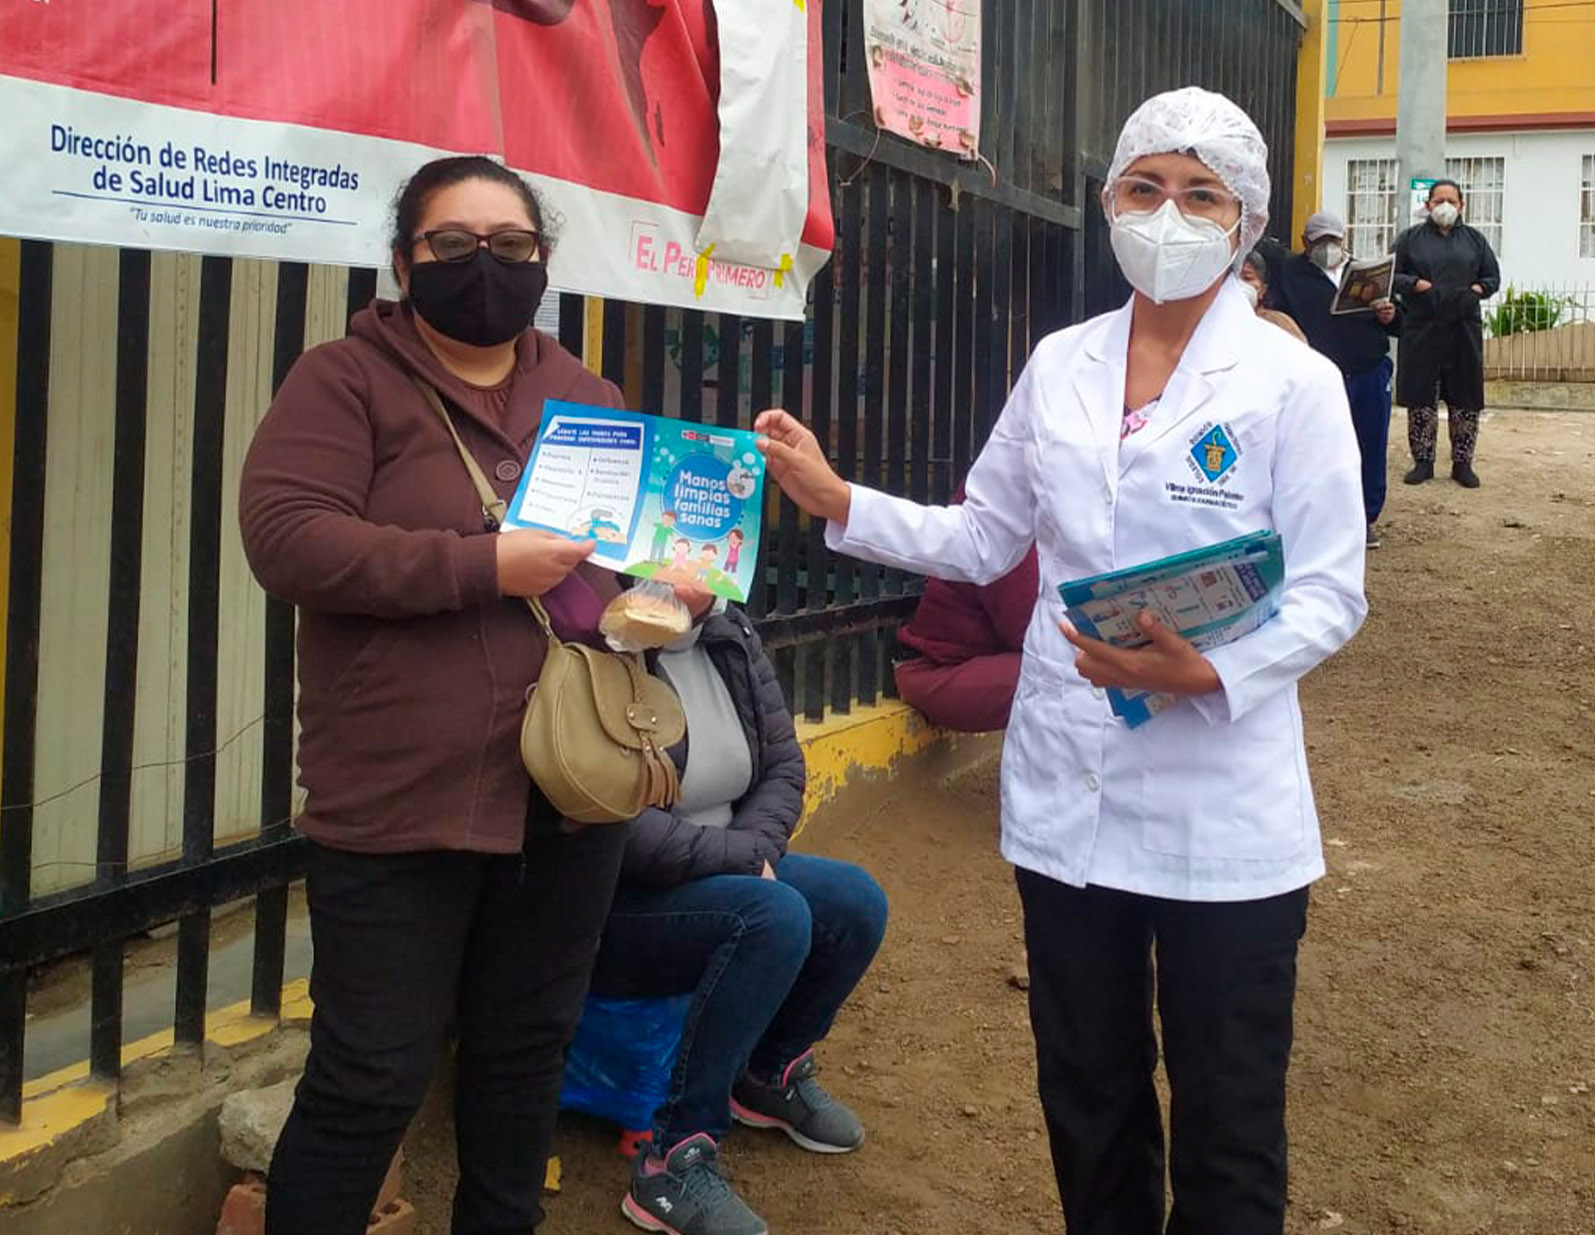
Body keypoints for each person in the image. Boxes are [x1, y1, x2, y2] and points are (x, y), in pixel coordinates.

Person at [755, 89, 1366, 1235]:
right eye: (1145, 189)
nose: (1168, 215)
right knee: (1085, 1089)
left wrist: (1209, 676)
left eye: (1199, 194)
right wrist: (842, 501)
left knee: (1228, 1110)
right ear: (1107, 205)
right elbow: (984, 535)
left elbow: (1332, 589)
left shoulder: (1295, 385)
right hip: (1067, 790)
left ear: (1245, 220)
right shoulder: (1060, 363)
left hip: (1218, 805)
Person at [239, 156, 631, 1234]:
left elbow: (610, 566)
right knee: (369, 1074)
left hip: (566, 784)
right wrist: (480, 565)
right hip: (399, 794)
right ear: (404, 260)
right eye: (450, 244)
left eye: (510, 245)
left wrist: (666, 585)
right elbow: (289, 539)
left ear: (542, 258)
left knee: (522, 1059)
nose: (483, 266)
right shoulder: (343, 379)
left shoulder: (586, 392)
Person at [587, 589, 888, 1235]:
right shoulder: (599, 646)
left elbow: (783, 765)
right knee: (773, 915)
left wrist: (749, 852)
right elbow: (614, 823)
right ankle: (672, 1159)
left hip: (730, 867)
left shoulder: (729, 633)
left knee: (855, 902)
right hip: (621, 904)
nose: (695, 567)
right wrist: (739, 861)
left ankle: (765, 1072)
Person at [1266, 211, 1402, 547]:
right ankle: (1322, 518)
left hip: (1369, 369)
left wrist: (1390, 314)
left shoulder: (1364, 273)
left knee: (1371, 443)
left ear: (1344, 241)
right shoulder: (1290, 274)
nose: (1328, 248)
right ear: (1305, 242)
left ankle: (1366, 516)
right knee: (1320, 448)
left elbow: (1401, 323)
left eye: (1334, 240)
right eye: (1320, 241)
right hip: (1321, 375)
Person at [893, 487, 1039, 733]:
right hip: (940, 670)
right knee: (1070, 677)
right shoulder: (1005, 507)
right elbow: (1024, 628)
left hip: (994, 660)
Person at [1393, 178, 1500, 489]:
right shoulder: (1410, 239)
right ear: (1427, 205)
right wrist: (1415, 285)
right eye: (1438, 200)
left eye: (1451, 201)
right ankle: (1422, 462)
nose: (1444, 206)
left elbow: (1492, 276)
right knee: (1422, 399)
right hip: (1422, 328)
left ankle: (1462, 463)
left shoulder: (1475, 241)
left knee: (1465, 397)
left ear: (1461, 205)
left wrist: (1477, 290)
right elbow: (1393, 275)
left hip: (1463, 328)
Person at [1238, 248, 1307, 342]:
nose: (1238, 284)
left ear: (1262, 290)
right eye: (1233, 279)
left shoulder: (1279, 323)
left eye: (1247, 278)